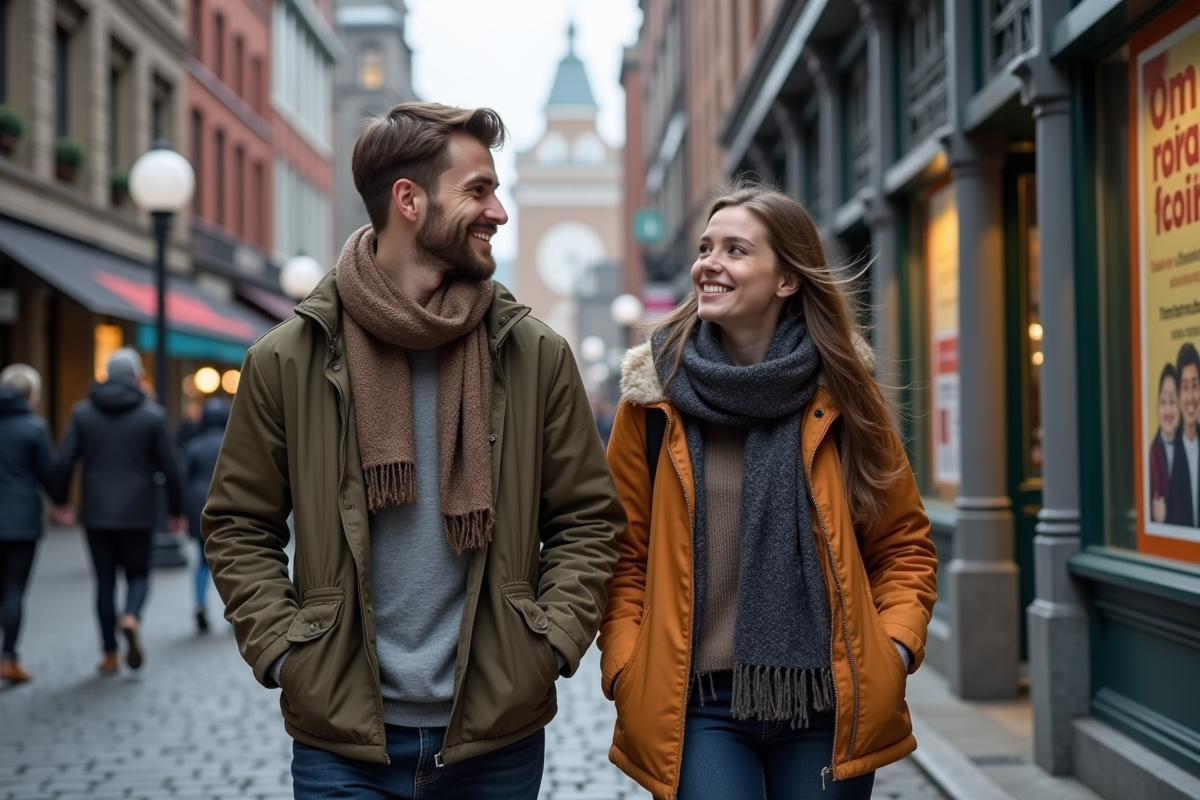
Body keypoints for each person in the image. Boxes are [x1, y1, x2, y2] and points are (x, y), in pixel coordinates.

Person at [202, 102, 624, 800]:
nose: (499, 212)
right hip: (343, 744)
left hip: (495, 734)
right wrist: (285, 652)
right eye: (479, 191)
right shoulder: (289, 358)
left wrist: (544, 644)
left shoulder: (534, 354)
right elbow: (237, 524)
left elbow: (588, 520)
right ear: (409, 200)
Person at [599, 184, 938, 800]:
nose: (708, 263)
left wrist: (891, 651)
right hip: (695, 703)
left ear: (786, 280)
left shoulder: (845, 396)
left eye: (735, 250)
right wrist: (627, 664)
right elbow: (622, 556)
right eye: (706, 248)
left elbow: (903, 545)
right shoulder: (652, 402)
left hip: (825, 700)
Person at [54, 348, 185, 673]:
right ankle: (131, 616)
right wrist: (177, 510)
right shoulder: (151, 415)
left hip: (96, 511)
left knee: (103, 582)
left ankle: (109, 654)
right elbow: (171, 467)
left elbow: (65, 459)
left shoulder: (82, 413)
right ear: (138, 377)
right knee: (139, 574)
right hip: (138, 510)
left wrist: (60, 501)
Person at [0, 364, 57, 683]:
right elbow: (48, 474)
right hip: (21, 521)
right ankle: (8, 658)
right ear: (31, 395)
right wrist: (61, 503)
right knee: (14, 589)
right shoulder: (34, 428)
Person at [182, 397, 230, 633]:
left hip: (198, 508)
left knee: (202, 560)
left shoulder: (193, 445)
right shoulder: (234, 444)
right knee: (231, 559)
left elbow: (184, 479)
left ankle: (200, 604)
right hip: (228, 507)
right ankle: (235, 608)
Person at [1167, 343, 1200, 527]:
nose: (1190, 397)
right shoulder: (1169, 451)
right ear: (1179, 395)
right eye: (1185, 387)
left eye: (1195, 386)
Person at [1150, 364, 1178, 523]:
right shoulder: (1152, 456)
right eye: (1163, 402)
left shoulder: (1189, 448)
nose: (1167, 412)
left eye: (1172, 401)